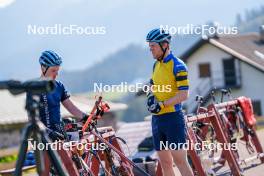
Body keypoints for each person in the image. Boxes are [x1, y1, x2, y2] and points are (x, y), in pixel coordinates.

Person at [146, 28, 193, 176]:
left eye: (153, 46)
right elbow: (152, 86)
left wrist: (162, 104)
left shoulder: (178, 66)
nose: (151, 49)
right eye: (149, 46)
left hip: (173, 119)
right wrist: (150, 96)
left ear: (164, 44)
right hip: (157, 120)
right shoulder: (156, 65)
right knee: (166, 164)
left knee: (180, 162)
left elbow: (184, 94)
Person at [36, 50, 87, 141]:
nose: (56, 74)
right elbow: (33, 118)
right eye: (53, 70)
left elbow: (70, 107)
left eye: (57, 70)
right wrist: (48, 132)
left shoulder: (59, 86)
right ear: (43, 68)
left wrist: (85, 117)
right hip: (44, 137)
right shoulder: (34, 88)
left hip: (59, 133)